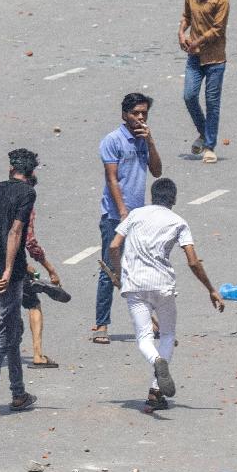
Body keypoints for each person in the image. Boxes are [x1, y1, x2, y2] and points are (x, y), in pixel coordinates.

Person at [106, 176, 223, 411]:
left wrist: (119, 273)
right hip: (163, 285)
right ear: (174, 199)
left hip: (135, 285)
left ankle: (156, 362)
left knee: (144, 337)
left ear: (152, 196)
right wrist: (211, 289)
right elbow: (192, 261)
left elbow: (113, 246)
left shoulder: (136, 215)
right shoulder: (178, 222)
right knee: (167, 335)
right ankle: (155, 391)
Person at [92, 93, 162, 347]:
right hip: (115, 215)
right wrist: (122, 210)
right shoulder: (113, 141)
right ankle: (101, 324)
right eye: (136, 113)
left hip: (139, 216)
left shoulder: (143, 140)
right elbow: (112, 178)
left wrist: (151, 141)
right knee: (110, 269)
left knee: (139, 269)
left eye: (144, 113)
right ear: (124, 114)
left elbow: (157, 171)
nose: (141, 117)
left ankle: (149, 321)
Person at [0, 148, 40, 418]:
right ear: (31, 172)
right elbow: (15, 232)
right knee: (4, 334)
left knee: (12, 332)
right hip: (8, 271)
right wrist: (9, 270)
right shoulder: (27, 193)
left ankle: (18, 392)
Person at [178, 0, 229, 159]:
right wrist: (181, 33)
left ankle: (209, 146)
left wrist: (196, 42)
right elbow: (186, 17)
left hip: (215, 58)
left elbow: (218, 29)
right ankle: (203, 131)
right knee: (189, 96)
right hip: (194, 57)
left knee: (212, 102)